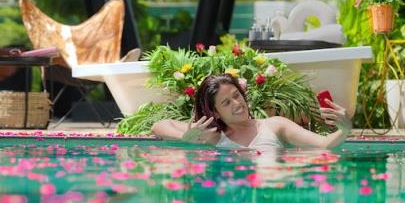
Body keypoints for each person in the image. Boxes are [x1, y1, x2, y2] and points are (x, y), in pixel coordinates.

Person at [151, 73, 352, 149]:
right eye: (226, 103)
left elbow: (324, 144)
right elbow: (158, 126)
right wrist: (184, 136)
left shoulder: (274, 125)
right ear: (217, 113)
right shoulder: (214, 136)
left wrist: (344, 129)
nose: (237, 104)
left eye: (237, 96)